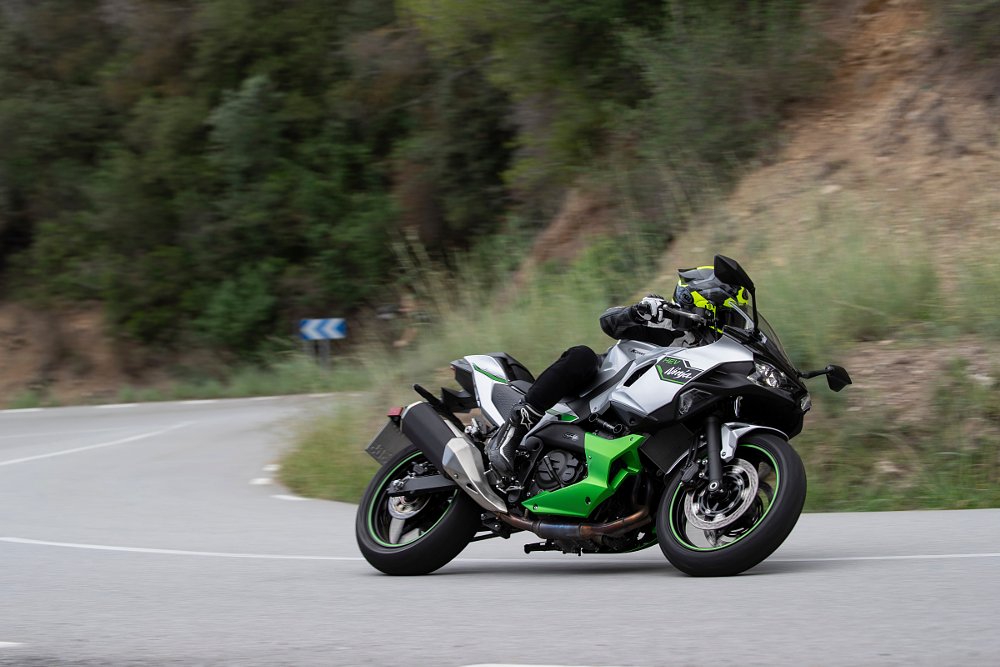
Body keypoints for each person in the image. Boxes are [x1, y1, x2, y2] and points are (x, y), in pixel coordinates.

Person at [486, 264, 749, 476]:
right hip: (598, 394)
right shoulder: (666, 327)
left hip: (644, 426)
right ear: (705, 305)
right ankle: (514, 428)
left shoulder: (712, 358)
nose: (730, 323)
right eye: (727, 315)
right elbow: (609, 323)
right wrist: (640, 312)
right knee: (582, 356)